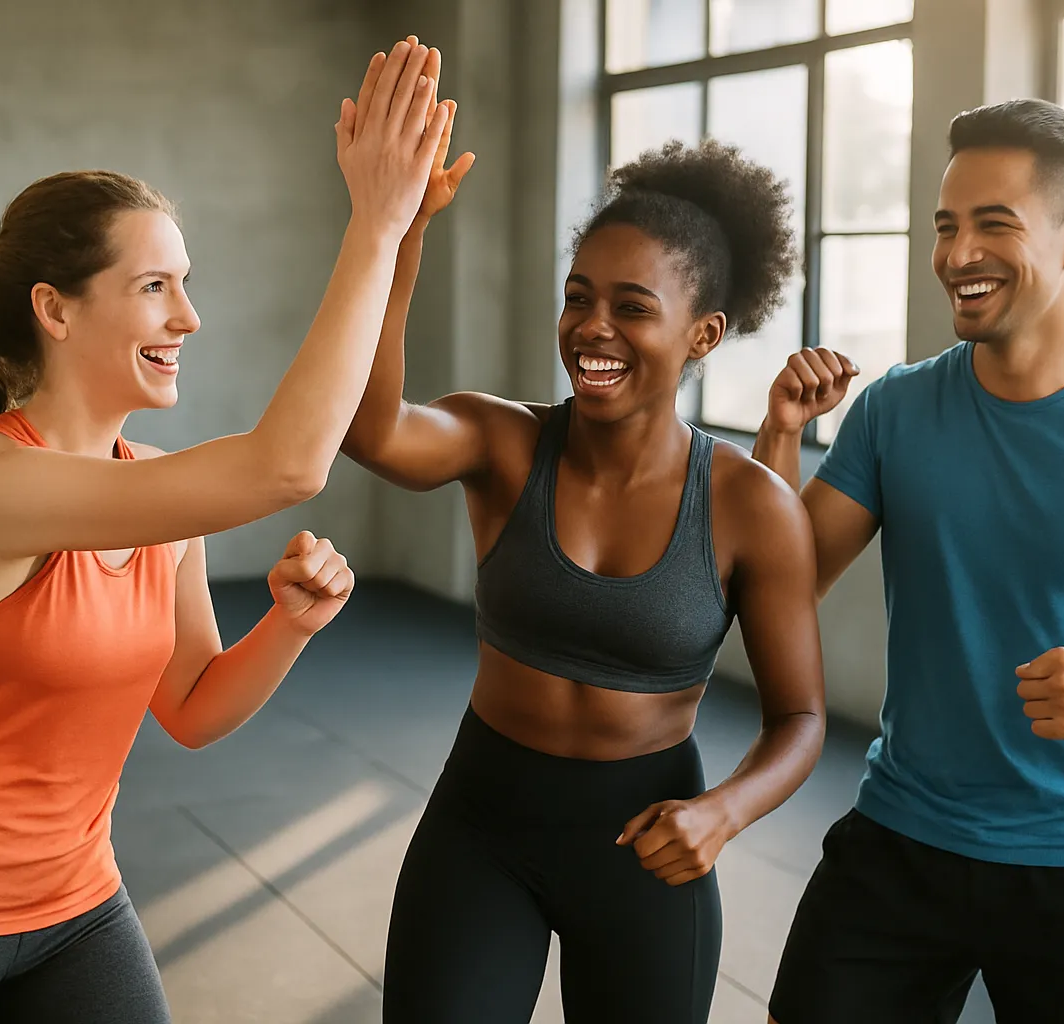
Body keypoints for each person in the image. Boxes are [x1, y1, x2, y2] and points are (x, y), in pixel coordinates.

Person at [0, 39, 449, 1024]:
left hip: (74, 905)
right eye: (154, 287)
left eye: (184, 283)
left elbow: (189, 704)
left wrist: (290, 627)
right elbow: (288, 464)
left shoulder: (155, 496)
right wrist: (377, 223)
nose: (188, 315)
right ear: (53, 308)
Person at [341, 77, 828, 1020]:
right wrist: (399, 235)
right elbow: (372, 432)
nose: (593, 328)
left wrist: (721, 814)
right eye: (579, 298)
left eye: (633, 307)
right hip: (482, 820)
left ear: (703, 335)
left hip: (647, 841)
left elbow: (802, 719)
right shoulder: (501, 440)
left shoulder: (753, 507)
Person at [758, 99, 1064, 1024]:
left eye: (994, 225)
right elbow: (783, 584)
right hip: (901, 841)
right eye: (947, 226)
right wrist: (781, 438)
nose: (956, 254)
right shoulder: (896, 410)